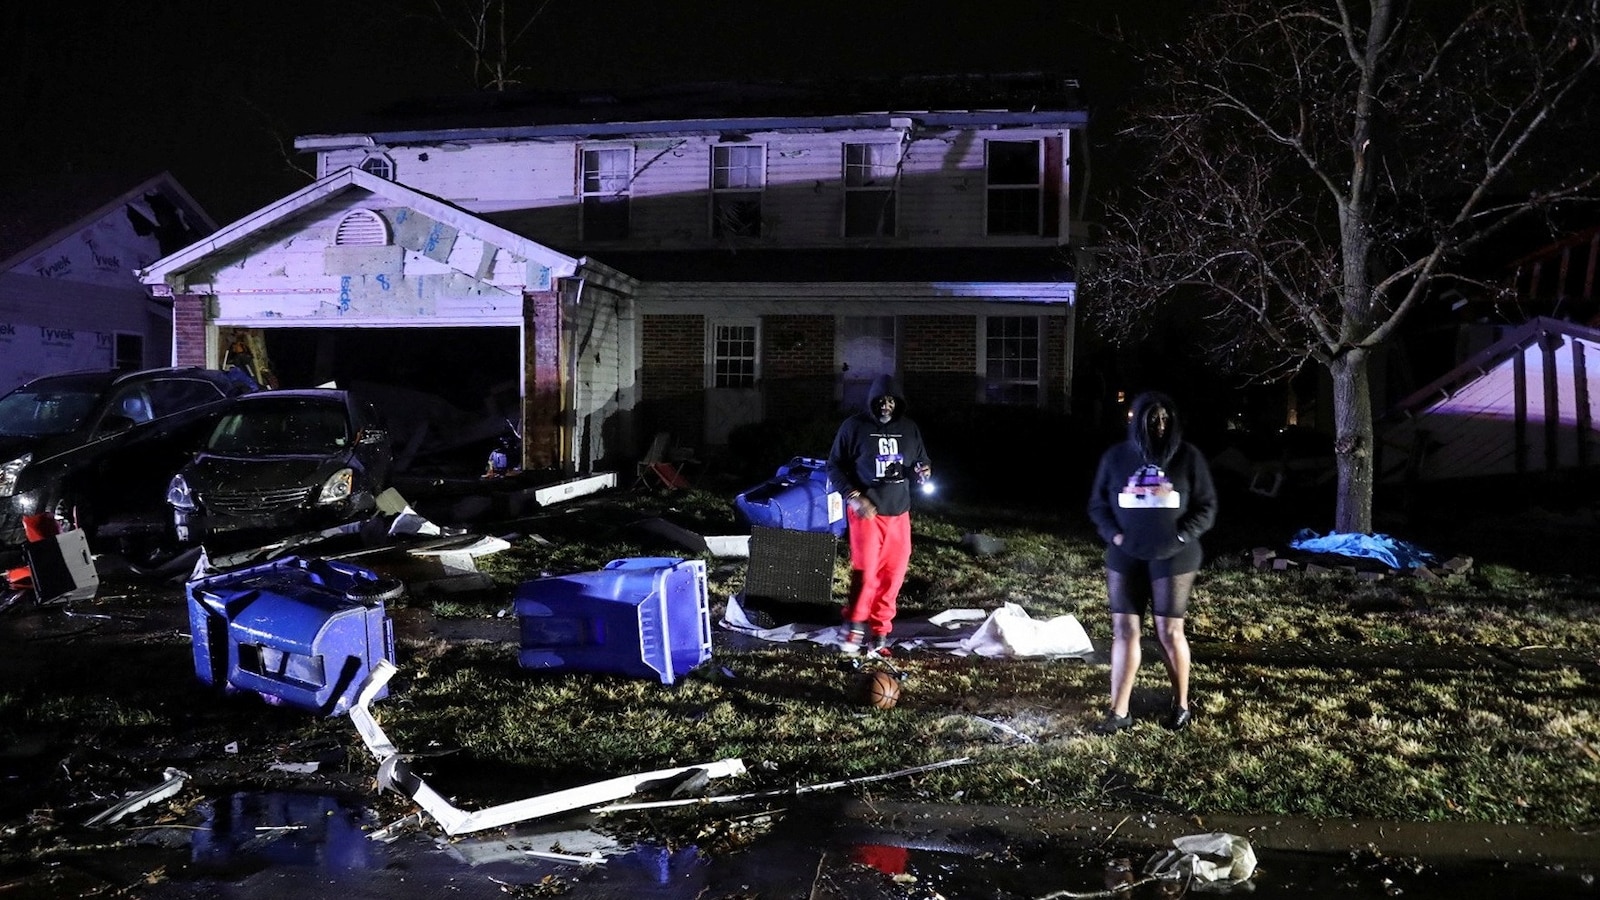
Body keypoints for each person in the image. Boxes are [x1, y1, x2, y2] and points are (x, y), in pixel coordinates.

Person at [1086, 391, 1217, 733]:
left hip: (1173, 557)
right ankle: (1119, 712)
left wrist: (1179, 537)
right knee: (1125, 631)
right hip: (1126, 554)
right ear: (1138, 421)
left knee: (1169, 632)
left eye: (1165, 420)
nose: (1159, 426)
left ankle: (1181, 705)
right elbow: (1098, 505)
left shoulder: (1187, 458)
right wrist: (1115, 536)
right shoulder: (1117, 458)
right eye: (1152, 419)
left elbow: (1206, 507)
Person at [826, 374, 932, 656]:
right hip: (867, 512)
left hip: (899, 512)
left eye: (891, 401)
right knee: (867, 572)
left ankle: (881, 631)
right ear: (872, 401)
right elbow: (834, 466)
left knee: (893, 574)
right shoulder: (854, 427)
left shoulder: (909, 429)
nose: (886, 405)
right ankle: (854, 625)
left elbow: (919, 460)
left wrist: (923, 470)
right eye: (881, 400)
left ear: (899, 403)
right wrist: (854, 496)